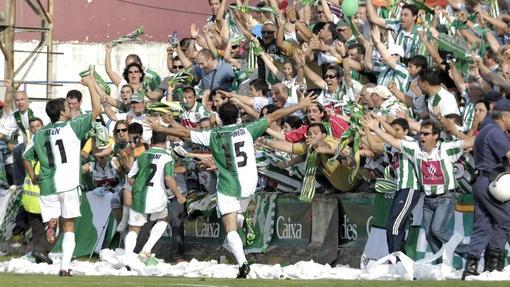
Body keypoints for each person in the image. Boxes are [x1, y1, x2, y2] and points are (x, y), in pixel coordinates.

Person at [147, 93, 318, 278]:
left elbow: (185, 133)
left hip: (229, 185)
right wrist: (300, 104)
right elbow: (274, 116)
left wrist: (161, 128)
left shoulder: (212, 134)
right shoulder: (247, 129)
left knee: (230, 227)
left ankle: (243, 262)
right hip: (250, 184)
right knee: (237, 215)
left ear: (219, 118)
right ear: (237, 116)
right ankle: (244, 220)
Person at [21, 72, 101, 276]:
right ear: (62, 113)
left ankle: (51, 224)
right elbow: (97, 109)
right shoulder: (72, 127)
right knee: (70, 226)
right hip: (69, 184)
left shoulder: (39, 135)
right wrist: (91, 84)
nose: (70, 108)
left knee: (53, 222)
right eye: (67, 106)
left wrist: (33, 177)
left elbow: (26, 158)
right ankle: (64, 267)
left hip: (47, 186)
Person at [364, 118, 475, 258]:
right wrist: (374, 128)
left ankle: (469, 252)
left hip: (445, 197)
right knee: (429, 235)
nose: (422, 136)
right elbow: (389, 141)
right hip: (428, 200)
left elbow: (469, 142)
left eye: (426, 134)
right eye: (421, 133)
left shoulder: (446, 148)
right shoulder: (414, 148)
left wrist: (491, 132)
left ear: (435, 136)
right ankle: (440, 263)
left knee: (437, 229)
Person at [462, 99, 510, 279]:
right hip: (494, 184)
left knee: (484, 225)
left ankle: (471, 267)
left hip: (482, 181)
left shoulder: (485, 130)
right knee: (507, 220)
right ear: (505, 116)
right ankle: (493, 263)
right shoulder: (496, 133)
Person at [124, 131, 186, 261]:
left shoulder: (142, 156)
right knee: (164, 219)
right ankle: (146, 249)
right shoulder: (167, 157)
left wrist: (140, 184)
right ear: (165, 141)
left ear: (151, 141)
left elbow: (130, 178)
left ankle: (128, 257)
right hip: (158, 197)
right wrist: (179, 195)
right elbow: (168, 178)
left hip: (140, 196)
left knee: (133, 229)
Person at [362, 116, 420, 254]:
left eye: (398, 129)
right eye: (392, 129)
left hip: (410, 187)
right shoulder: (392, 146)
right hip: (399, 188)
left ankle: (396, 257)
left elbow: (394, 136)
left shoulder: (411, 142)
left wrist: (379, 123)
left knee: (394, 225)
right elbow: (374, 146)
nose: (394, 132)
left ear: (406, 131)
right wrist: (366, 128)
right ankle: (397, 256)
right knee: (392, 225)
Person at [21, 117, 55, 264]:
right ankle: (42, 251)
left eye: (38, 126)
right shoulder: (39, 145)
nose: (35, 129)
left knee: (38, 228)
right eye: (33, 127)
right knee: (49, 226)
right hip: (39, 195)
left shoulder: (30, 145)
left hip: (32, 197)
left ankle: (38, 254)